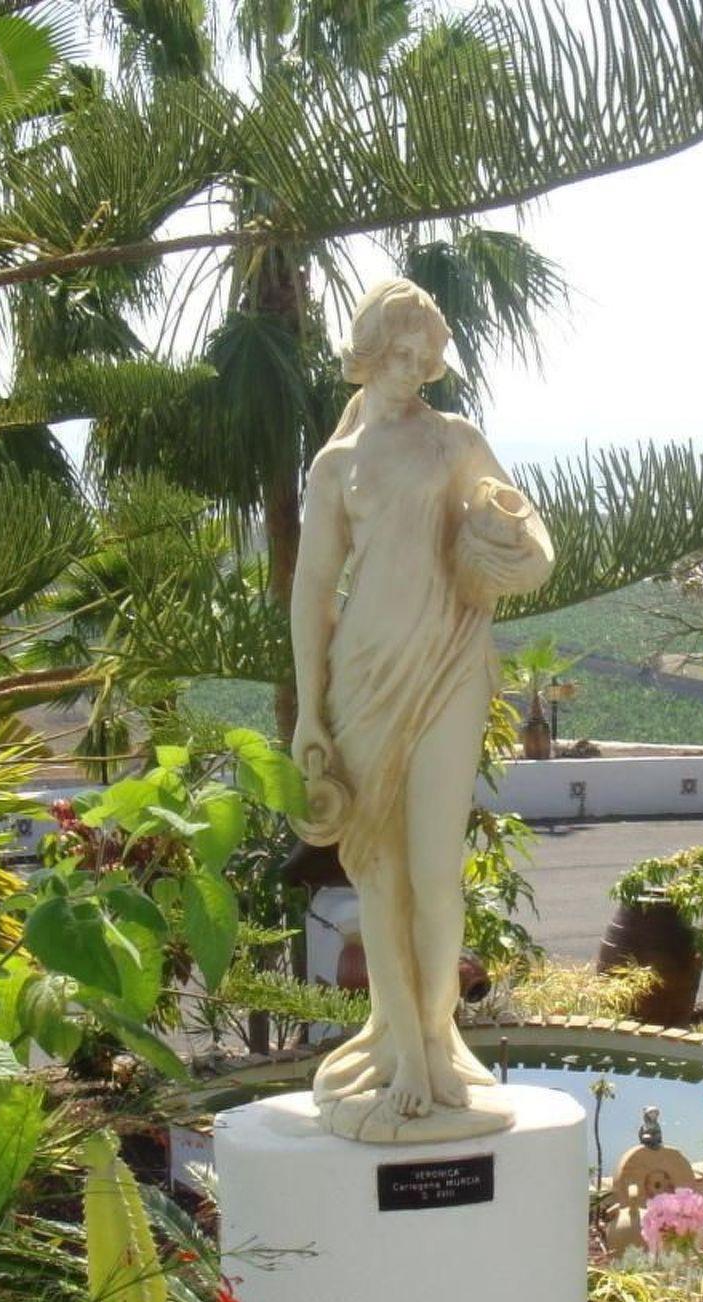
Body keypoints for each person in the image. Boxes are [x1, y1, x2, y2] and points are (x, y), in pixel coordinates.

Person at [290, 279, 554, 1138]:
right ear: (369, 355)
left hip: (450, 663)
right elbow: (312, 591)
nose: (412, 370)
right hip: (366, 674)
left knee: (438, 875)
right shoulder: (337, 466)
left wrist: (517, 547)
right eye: (398, 355)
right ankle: (403, 1052)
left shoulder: (455, 439)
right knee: (381, 873)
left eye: (425, 357)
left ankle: (439, 1040)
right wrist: (308, 712)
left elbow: (533, 532)